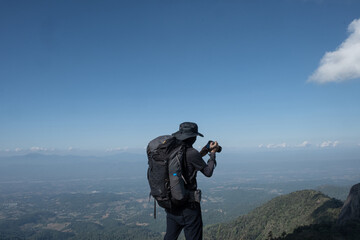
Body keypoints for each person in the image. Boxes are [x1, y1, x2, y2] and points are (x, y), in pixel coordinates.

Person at [164, 122, 219, 240]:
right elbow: (208, 172)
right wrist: (212, 153)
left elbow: (186, 165)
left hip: (172, 205)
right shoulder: (192, 153)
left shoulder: (172, 151)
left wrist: (203, 152)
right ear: (193, 137)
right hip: (188, 206)